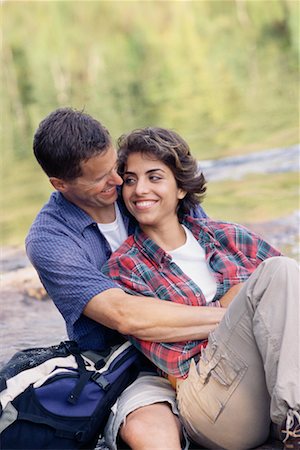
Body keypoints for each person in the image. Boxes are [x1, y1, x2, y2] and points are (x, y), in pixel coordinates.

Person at [26, 107, 226, 450]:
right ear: (60, 184)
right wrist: (236, 318)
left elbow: (215, 259)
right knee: (150, 434)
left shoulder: (143, 185)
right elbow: (125, 315)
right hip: (129, 366)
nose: (119, 182)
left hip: (208, 342)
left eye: (114, 167)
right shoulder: (50, 240)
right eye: (101, 178)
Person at [102, 126, 300, 450]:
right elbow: (175, 358)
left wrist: (250, 305)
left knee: (284, 272)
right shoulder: (125, 268)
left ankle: (291, 416)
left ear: (181, 188)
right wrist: (242, 308)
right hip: (213, 402)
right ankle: (296, 418)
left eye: (154, 177)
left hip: (270, 385)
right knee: (276, 272)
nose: (140, 189)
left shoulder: (228, 236)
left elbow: (291, 296)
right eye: (131, 179)